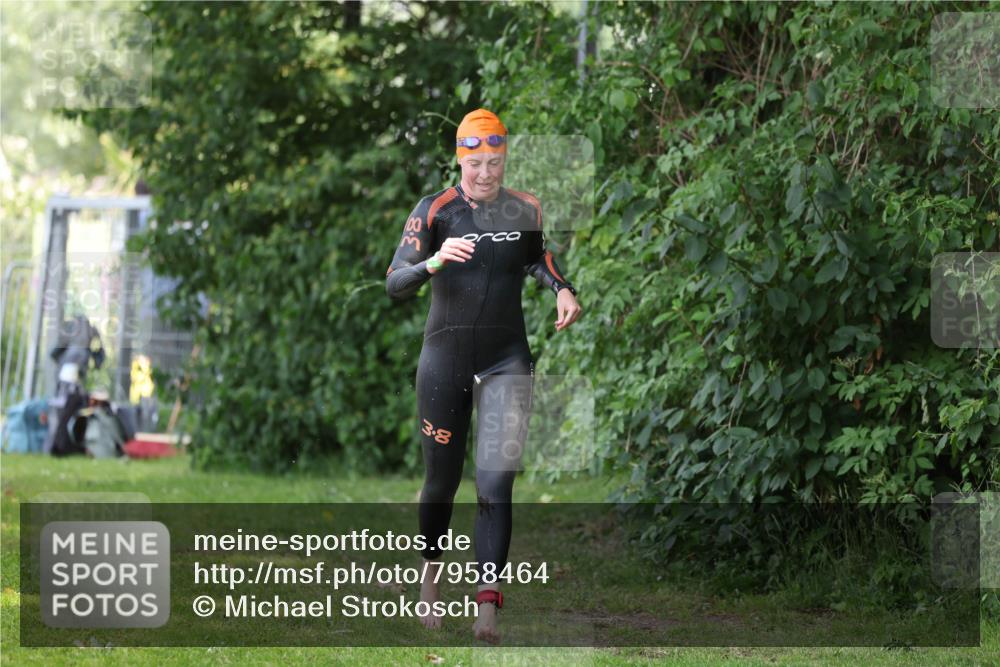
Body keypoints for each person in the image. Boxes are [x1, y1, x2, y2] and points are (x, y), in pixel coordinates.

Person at [385, 108, 582, 643]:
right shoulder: (436, 211)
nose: (486, 173)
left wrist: (562, 289)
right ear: (460, 158)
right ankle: (429, 583)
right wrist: (433, 262)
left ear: (504, 159)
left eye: (495, 162)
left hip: (506, 360)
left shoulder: (525, 208)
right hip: (444, 362)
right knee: (442, 483)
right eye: (476, 163)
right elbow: (394, 282)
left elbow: (540, 259)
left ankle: (487, 610)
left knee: (495, 485)